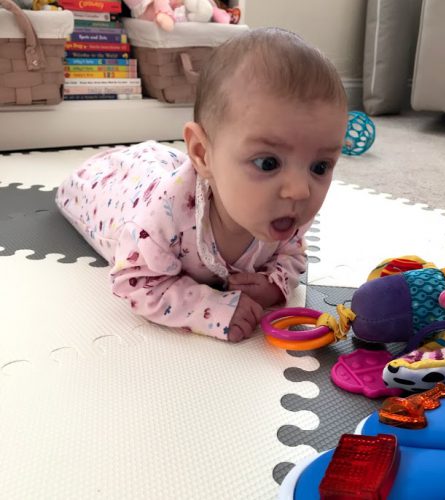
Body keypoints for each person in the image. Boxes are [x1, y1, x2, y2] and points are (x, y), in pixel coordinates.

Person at [56, 27, 348, 342]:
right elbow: (136, 281)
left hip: (191, 171)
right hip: (115, 191)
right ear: (202, 154)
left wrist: (276, 282)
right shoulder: (158, 222)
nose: (300, 190)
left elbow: (293, 252)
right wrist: (210, 306)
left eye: (320, 166)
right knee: (118, 177)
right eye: (268, 163)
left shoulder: (287, 208)